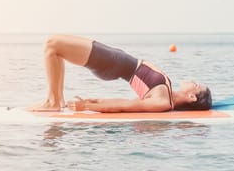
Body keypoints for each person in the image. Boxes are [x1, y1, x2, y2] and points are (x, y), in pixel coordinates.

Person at [29, 34, 212, 113]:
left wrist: (88, 105)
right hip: (115, 58)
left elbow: (125, 105)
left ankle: (52, 102)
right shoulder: (167, 93)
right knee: (55, 48)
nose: (194, 81)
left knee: (52, 44)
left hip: (111, 63)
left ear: (192, 98)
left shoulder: (162, 102)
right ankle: (56, 100)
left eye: (196, 86)